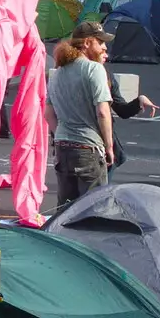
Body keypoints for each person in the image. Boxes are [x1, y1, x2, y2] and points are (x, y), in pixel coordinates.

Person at [46, 21, 116, 205]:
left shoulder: (58, 72)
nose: (104, 47)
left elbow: (48, 113)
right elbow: (103, 112)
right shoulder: (95, 69)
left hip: (62, 147)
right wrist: (109, 147)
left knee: (65, 211)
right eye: (100, 42)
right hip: (88, 147)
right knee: (93, 210)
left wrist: (60, 135)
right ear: (86, 43)